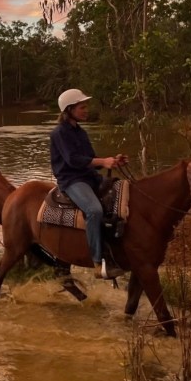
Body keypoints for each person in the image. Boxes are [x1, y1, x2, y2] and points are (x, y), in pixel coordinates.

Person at [50, 88, 128, 280]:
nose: (86, 110)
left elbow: (90, 158)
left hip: (88, 176)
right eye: (82, 107)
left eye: (85, 107)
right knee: (94, 210)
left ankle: (115, 247)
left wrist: (112, 161)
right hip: (71, 180)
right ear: (69, 109)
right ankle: (97, 260)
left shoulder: (80, 132)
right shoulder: (59, 133)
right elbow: (72, 160)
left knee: (121, 196)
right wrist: (102, 162)